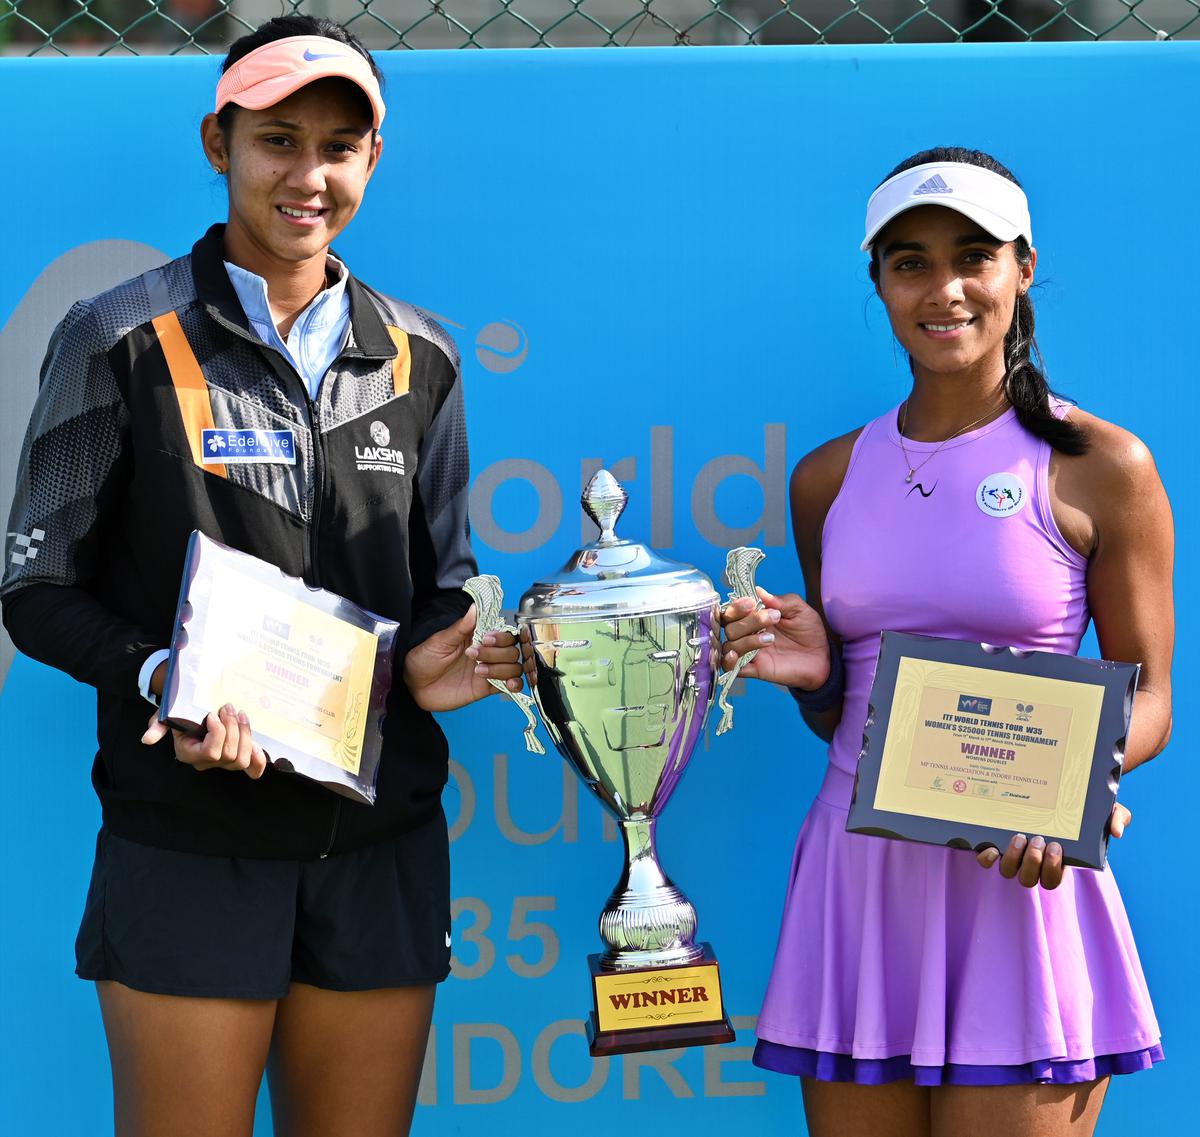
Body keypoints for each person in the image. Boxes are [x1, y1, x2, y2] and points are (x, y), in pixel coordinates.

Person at [0, 16, 523, 1137]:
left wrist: (462, 654)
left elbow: (439, 590)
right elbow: (36, 586)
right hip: (189, 838)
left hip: (379, 844)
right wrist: (163, 679)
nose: (308, 176)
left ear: (371, 161)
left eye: (339, 147)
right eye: (278, 140)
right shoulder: (118, 336)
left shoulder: (418, 353)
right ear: (218, 142)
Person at [720, 148, 1173, 1136]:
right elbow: (849, 712)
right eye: (911, 261)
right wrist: (811, 680)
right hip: (861, 880)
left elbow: (1151, 700)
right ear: (878, 283)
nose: (946, 288)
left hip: (1023, 877)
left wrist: (1075, 790)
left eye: (975, 256)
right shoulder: (827, 477)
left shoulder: (1104, 465)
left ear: (1023, 267)